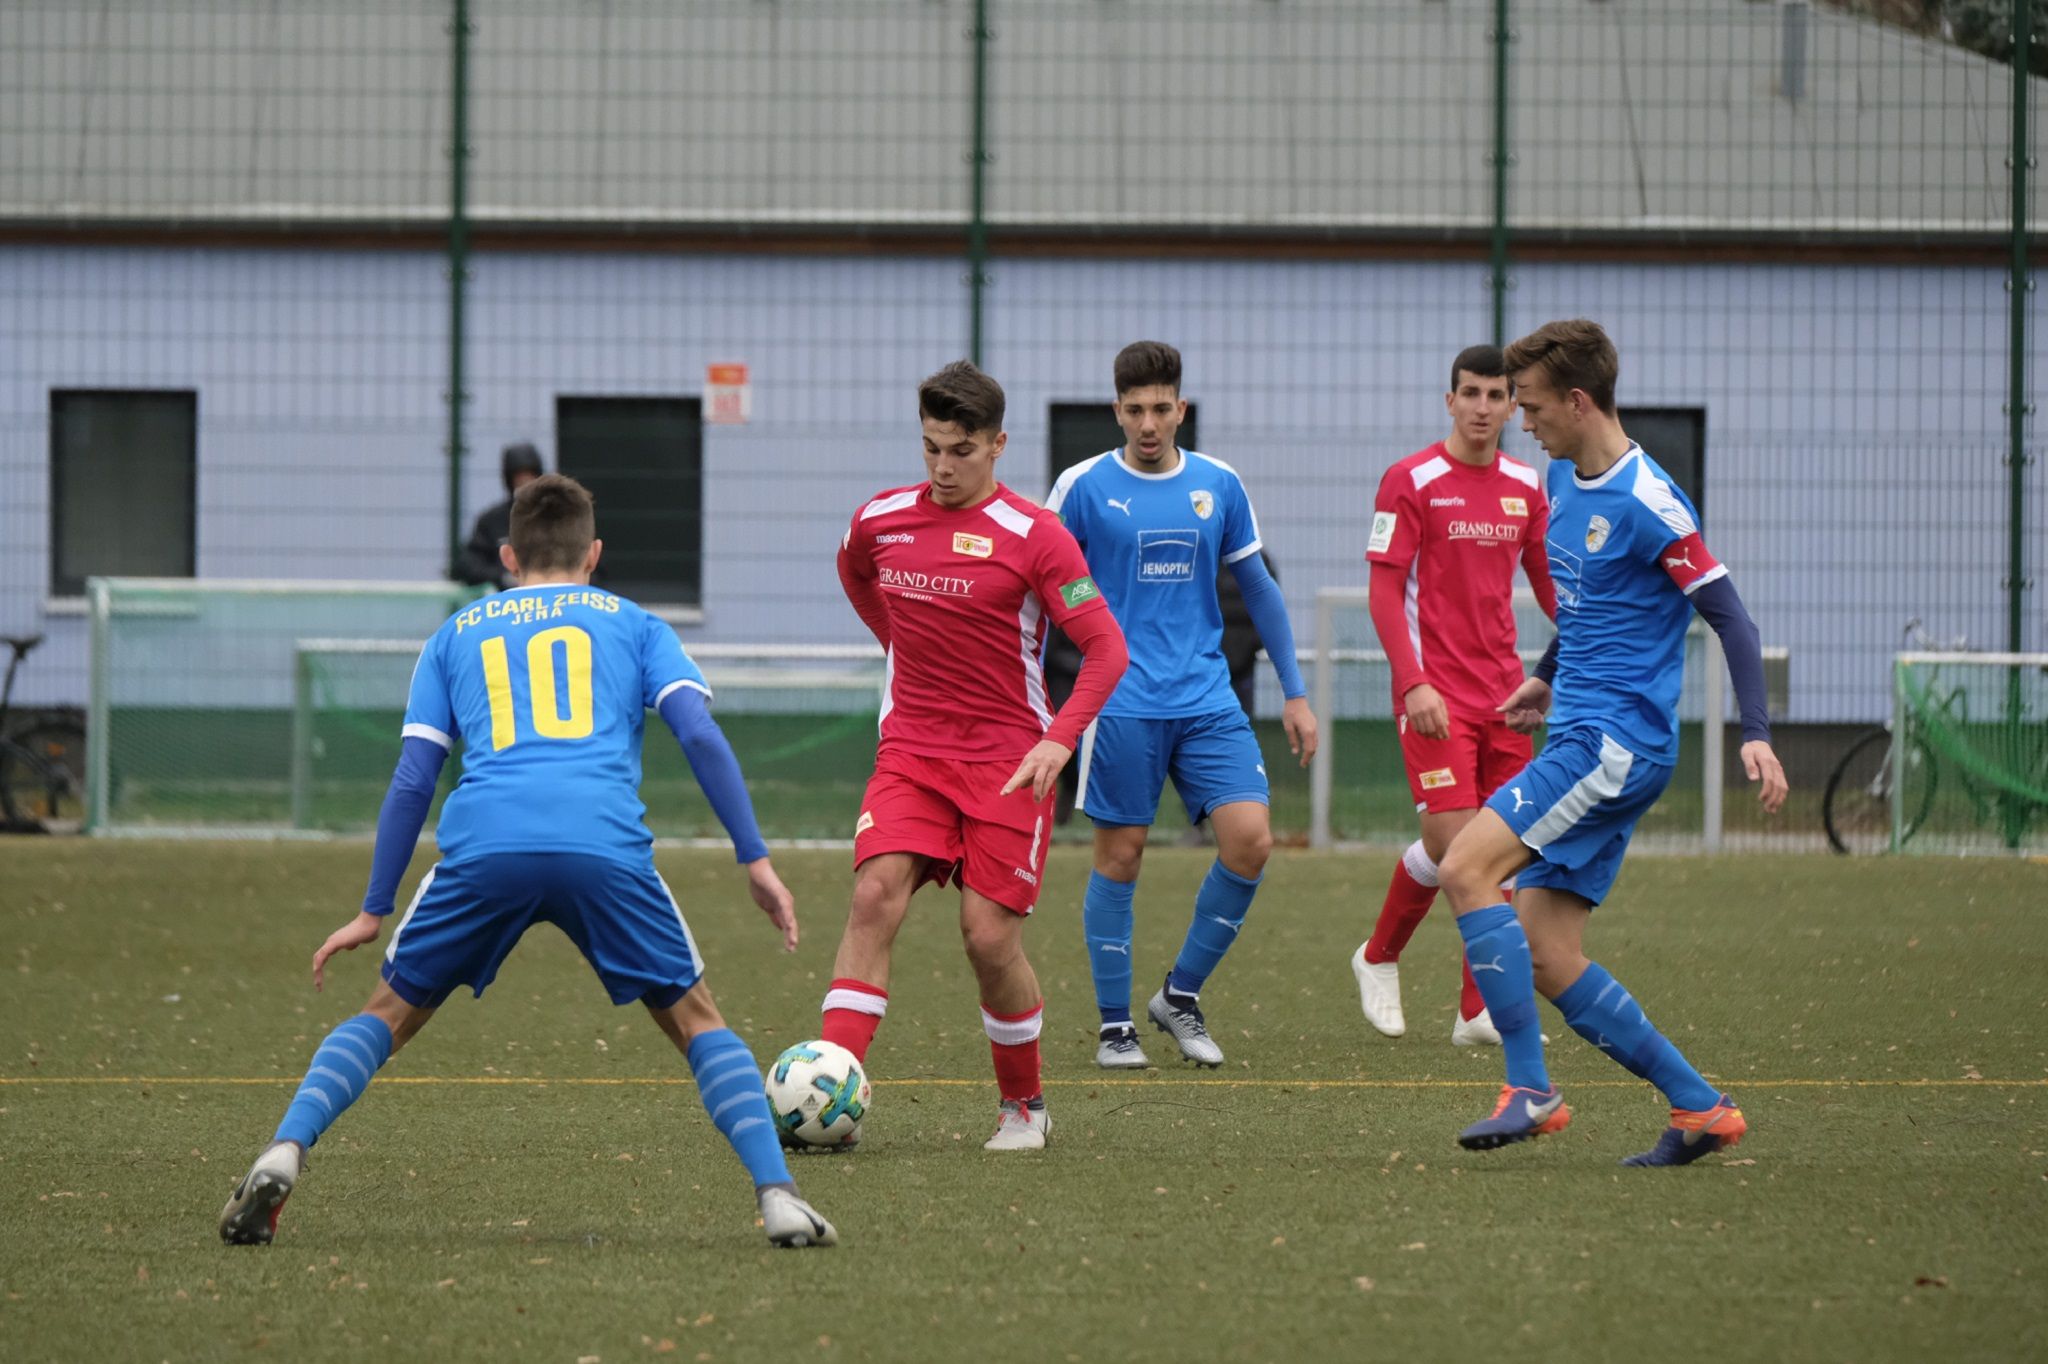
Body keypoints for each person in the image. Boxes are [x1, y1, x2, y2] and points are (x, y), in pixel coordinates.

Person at [218, 475, 837, 1248]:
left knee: (387, 1014)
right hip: (602, 845)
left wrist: (374, 908)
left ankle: (284, 1149)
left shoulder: (457, 632)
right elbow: (700, 736)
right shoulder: (636, 624)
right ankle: (777, 1194)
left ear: (508, 555)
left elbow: (415, 775)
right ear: (595, 554)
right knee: (695, 1018)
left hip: (487, 845)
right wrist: (756, 859)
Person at [1436, 319, 1787, 1164]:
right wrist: (1548, 674)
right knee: (1549, 954)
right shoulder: (1565, 478)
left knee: (1463, 867)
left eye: (1531, 404)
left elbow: (1730, 619)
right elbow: (1591, 600)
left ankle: (1531, 1088)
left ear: (1579, 402)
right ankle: (1701, 1108)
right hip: (1583, 728)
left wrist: (1759, 734)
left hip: (1610, 747)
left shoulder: (1649, 501)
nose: (1523, 420)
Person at [819, 360, 1129, 1151]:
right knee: (873, 898)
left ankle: (1024, 1106)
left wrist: (1059, 740)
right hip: (913, 753)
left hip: (1008, 763)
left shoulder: (1037, 538)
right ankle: (831, 1097)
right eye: (931, 449)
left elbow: (1105, 650)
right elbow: (858, 574)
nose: (943, 467)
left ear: (998, 445)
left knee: (988, 937)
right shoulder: (880, 520)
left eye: (960, 450)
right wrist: (898, 645)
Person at [1045, 341, 1318, 1071]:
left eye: (1161, 408)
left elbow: (1257, 588)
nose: (1148, 422)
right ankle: (1114, 1026)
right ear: (1117, 411)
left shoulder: (1219, 485)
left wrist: (1295, 692)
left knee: (1251, 839)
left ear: (1181, 410)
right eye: (1134, 409)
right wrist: (1037, 700)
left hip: (1205, 697)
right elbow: (1040, 593)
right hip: (1121, 700)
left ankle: (1180, 996)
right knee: (1121, 855)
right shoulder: (1080, 487)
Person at [1350, 345, 1555, 1047]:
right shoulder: (1410, 480)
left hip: (1508, 700)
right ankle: (1377, 956)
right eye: (1469, 393)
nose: (1481, 407)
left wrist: (1582, 655)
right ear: (1449, 401)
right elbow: (1383, 592)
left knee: (1497, 851)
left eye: (1496, 395)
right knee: (1456, 846)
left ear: (1510, 406)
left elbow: (1551, 585)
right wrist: (1413, 683)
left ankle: (1476, 1011)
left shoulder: (1528, 484)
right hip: (1434, 698)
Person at [455, 441, 545, 589]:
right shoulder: (492, 521)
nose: (525, 483)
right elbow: (466, 565)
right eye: (519, 478)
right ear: (509, 480)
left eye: (530, 476)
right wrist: (502, 577)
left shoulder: (555, 516)